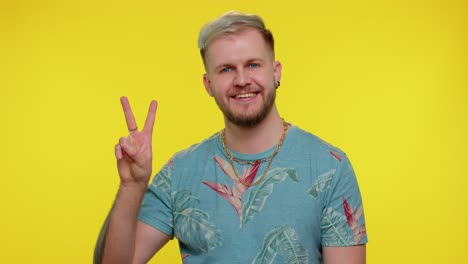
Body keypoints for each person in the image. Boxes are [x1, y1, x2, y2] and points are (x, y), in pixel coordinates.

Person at [94, 11, 367, 264]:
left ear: (276, 72)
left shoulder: (330, 167)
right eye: (226, 69)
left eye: (253, 65)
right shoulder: (180, 172)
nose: (241, 80)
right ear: (208, 84)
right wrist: (132, 186)